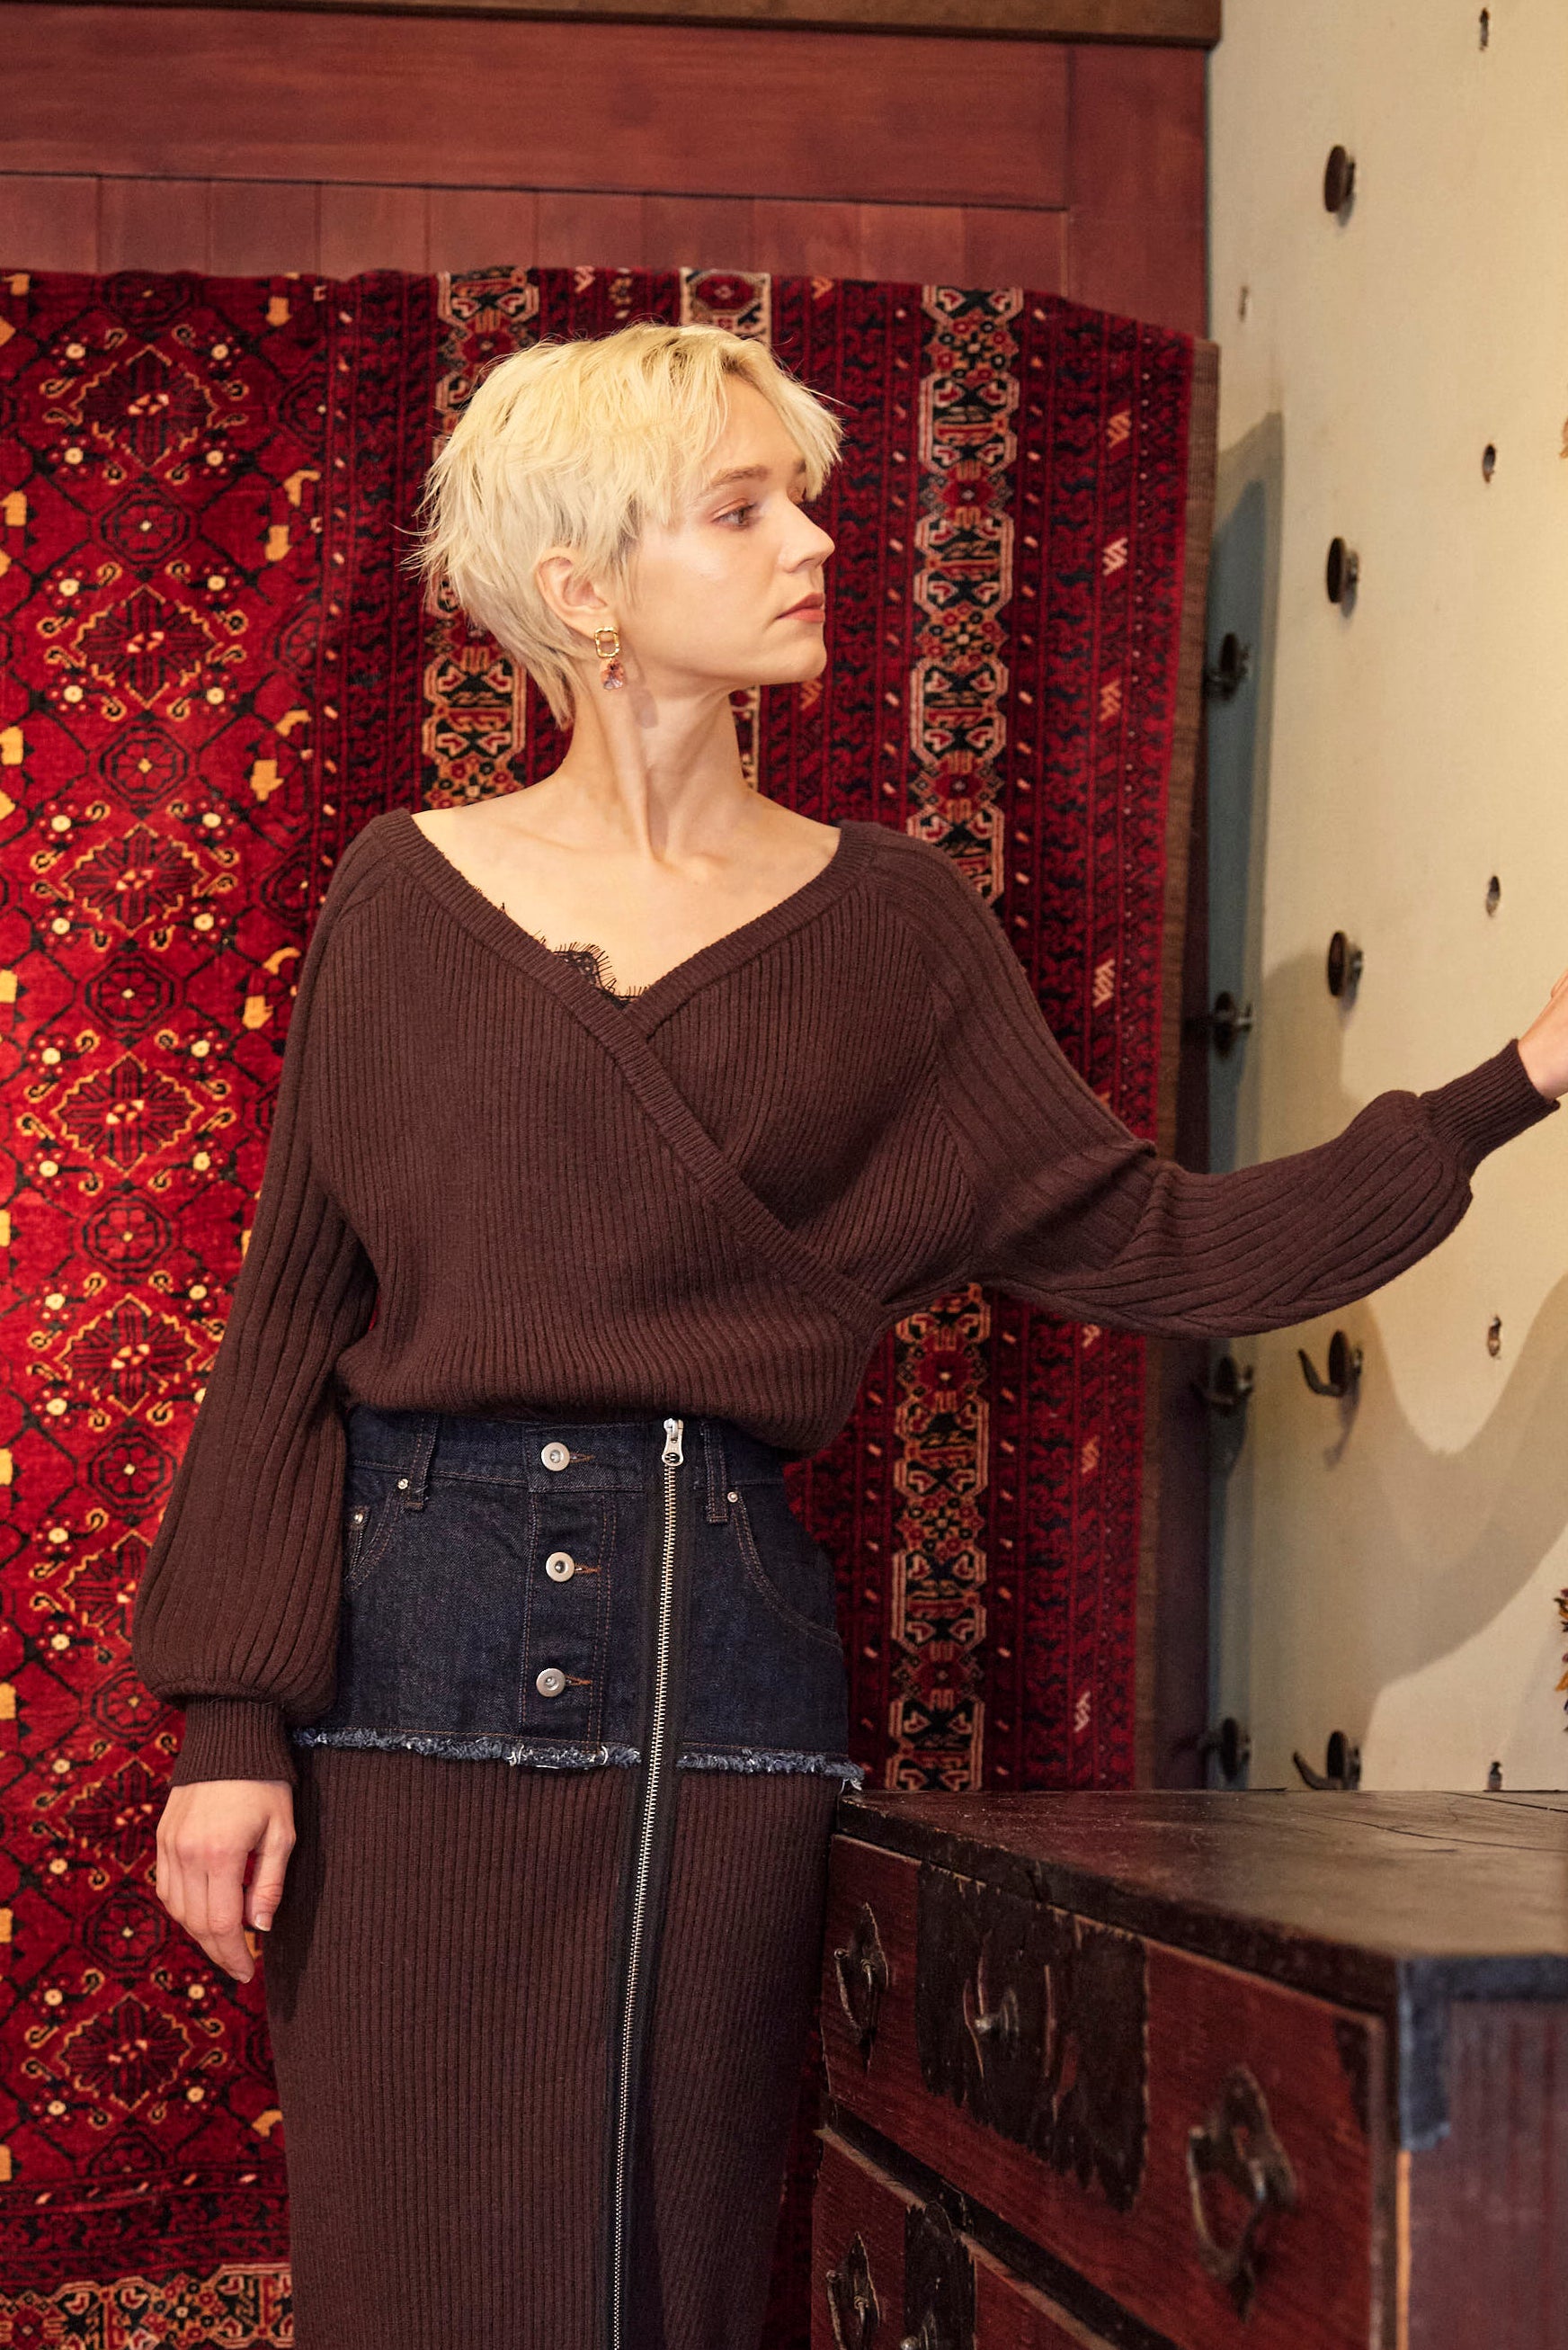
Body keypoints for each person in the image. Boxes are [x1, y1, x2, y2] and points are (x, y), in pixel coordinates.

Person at [131, 320, 1565, 2350]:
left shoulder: (893, 926)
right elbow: (290, 1318)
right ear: (580, 589)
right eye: (740, 510)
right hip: (407, 1684)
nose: (814, 542)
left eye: (798, 499)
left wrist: (1517, 1079)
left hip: (716, 1678)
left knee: (680, 2269)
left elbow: (1162, 1240)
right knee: (414, 2280)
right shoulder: (401, 894)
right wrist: (229, 1723)